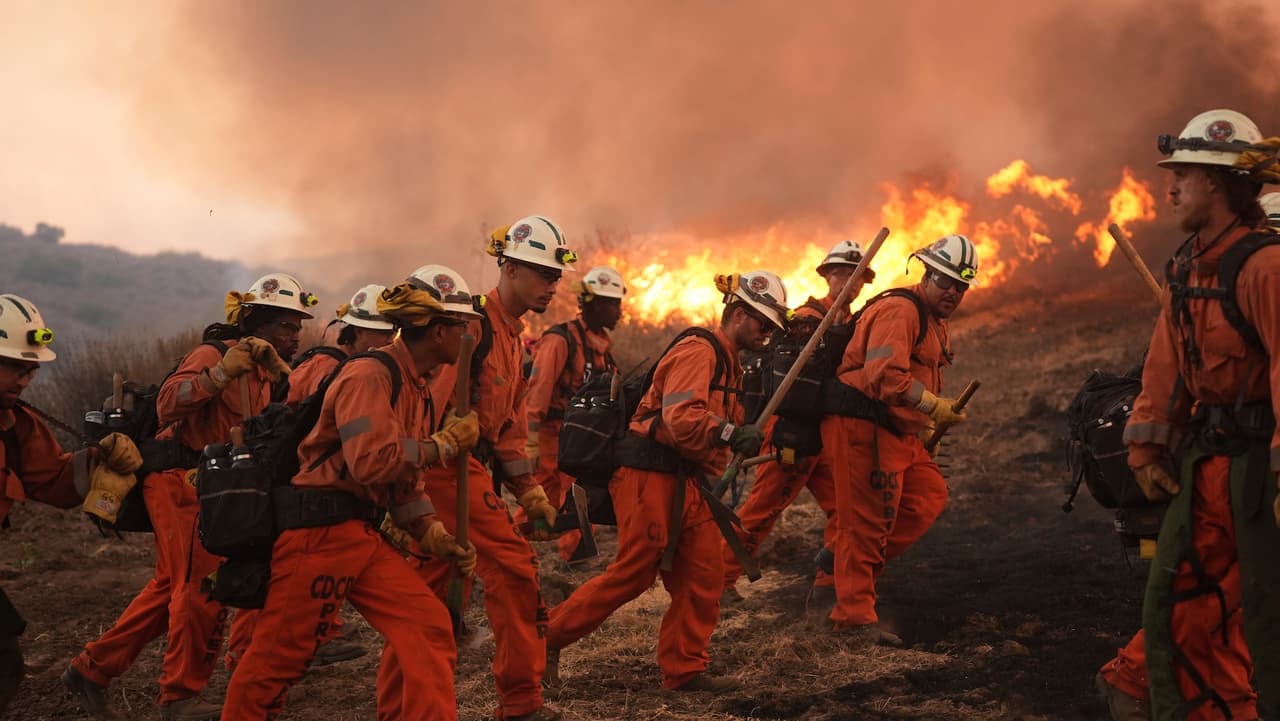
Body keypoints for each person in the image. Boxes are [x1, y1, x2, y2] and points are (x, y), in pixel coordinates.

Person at [220, 280, 479, 720]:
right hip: (319, 535)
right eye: (462, 326)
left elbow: (402, 482)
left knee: (428, 626)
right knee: (277, 662)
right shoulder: (367, 376)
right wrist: (442, 446)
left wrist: (431, 532)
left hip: (359, 536)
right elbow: (373, 462)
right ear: (437, 331)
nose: (469, 336)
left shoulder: (412, 385)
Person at [1096, 109, 1280, 721]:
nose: (1169, 187)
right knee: (1181, 599)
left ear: (1220, 184)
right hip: (1206, 466)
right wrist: (1147, 447)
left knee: (1259, 613)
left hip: (1259, 469)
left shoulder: (1265, 269)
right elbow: (1166, 367)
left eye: (1185, 174)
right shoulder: (1186, 267)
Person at [64, 274, 314, 721]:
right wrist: (218, 375)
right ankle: (180, 698)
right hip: (180, 480)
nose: (294, 335)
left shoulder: (266, 373)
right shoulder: (213, 354)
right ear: (254, 322)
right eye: (284, 325)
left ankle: (91, 669)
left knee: (170, 588)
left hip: (217, 485)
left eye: (296, 326)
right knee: (201, 588)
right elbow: (167, 405)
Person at [545, 271, 789, 692]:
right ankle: (545, 639)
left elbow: (709, 429)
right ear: (735, 313)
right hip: (647, 475)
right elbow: (682, 418)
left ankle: (685, 669)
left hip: (683, 481)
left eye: (772, 327)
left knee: (703, 575)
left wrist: (735, 439)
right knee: (633, 575)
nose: (766, 333)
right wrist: (730, 434)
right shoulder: (700, 350)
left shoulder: (732, 366)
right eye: (761, 323)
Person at [380, 234, 573, 721]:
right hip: (443, 471)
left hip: (468, 470)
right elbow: (419, 409)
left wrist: (530, 494)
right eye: (542, 274)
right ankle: (522, 701)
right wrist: (405, 492)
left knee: (434, 593)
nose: (551, 286)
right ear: (508, 269)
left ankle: (400, 709)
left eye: (555, 277)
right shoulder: (468, 329)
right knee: (512, 568)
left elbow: (508, 429)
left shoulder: (511, 337)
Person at [820, 234, 976, 646]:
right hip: (863, 426)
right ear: (927, 275)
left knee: (928, 496)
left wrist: (923, 425)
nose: (953, 292)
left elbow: (917, 376)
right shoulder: (898, 309)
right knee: (869, 523)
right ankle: (853, 618)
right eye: (946, 282)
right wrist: (933, 409)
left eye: (961, 286)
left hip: (897, 429)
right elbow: (884, 376)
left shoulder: (934, 321)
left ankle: (839, 565)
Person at [0, 294, 143, 713]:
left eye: (31, 370)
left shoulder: (16, 424)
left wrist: (101, 462)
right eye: (14, 367)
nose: (26, 380)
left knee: (5, 663)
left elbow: (54, 482)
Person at [722, 240, 875, 600]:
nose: (850, 282)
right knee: (764, 509)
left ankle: (828, 583)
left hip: (822, 433)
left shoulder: (851, 322)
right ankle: (717, 580)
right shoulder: (807, 319)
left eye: (858, 276)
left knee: (844, 507)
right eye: (842, 273)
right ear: (827, 276)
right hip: (790, 430)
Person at [524, 265, 626, 562]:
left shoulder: (604, 350)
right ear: (593, 304)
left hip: (580, 440)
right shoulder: (560, 340)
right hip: (548, 436)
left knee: (581, 498)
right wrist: (529, 439)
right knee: (538, 501)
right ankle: (511, 542)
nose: (619, 312)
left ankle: (576, 558)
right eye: (613, 304)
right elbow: (537, 391)